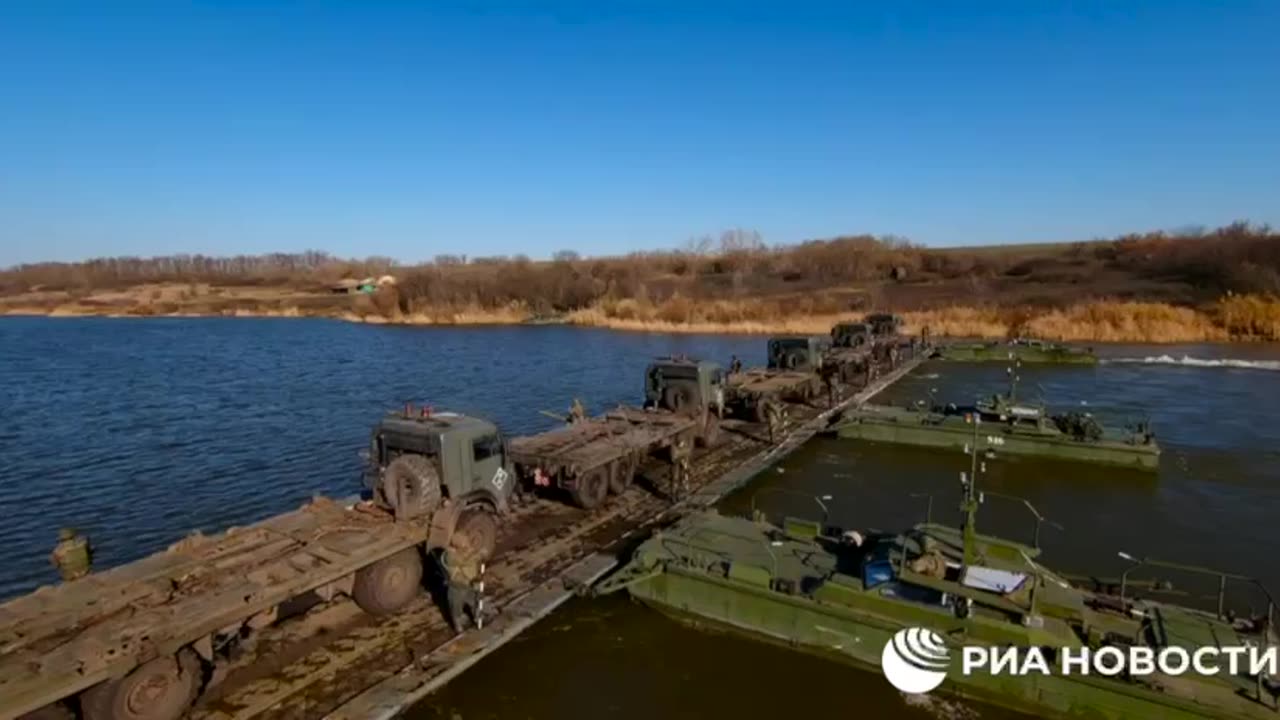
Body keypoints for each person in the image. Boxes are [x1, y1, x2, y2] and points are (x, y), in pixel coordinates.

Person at [437, 539, 485, 634]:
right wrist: (478, 555)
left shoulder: (466, 553)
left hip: (468, 584)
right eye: (464, 546)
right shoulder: (450, 556)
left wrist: (476, 578)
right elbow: (463, 562)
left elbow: (472, 564)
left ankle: (478, 619)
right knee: (456, 609)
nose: (468, 548)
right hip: (457, 588)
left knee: (475, 601)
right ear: (455, 547)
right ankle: (458, 627)